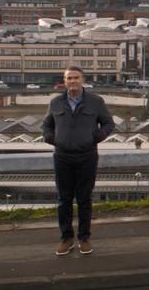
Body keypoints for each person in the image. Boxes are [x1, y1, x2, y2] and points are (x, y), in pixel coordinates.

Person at [42, 66, 115, 256]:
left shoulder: (95, 102)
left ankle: (84, 238)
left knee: (84, 200)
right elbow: (46, 126)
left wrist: (97, 137)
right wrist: (53, 139)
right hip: (63, 157)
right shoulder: (56, 102)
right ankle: (66, 239)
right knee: (63, 200)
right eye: (69, 78)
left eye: (76, 78)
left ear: (82, 80)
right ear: (64, 81)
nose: (72, 81)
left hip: (87, 156)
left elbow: (109, 123)